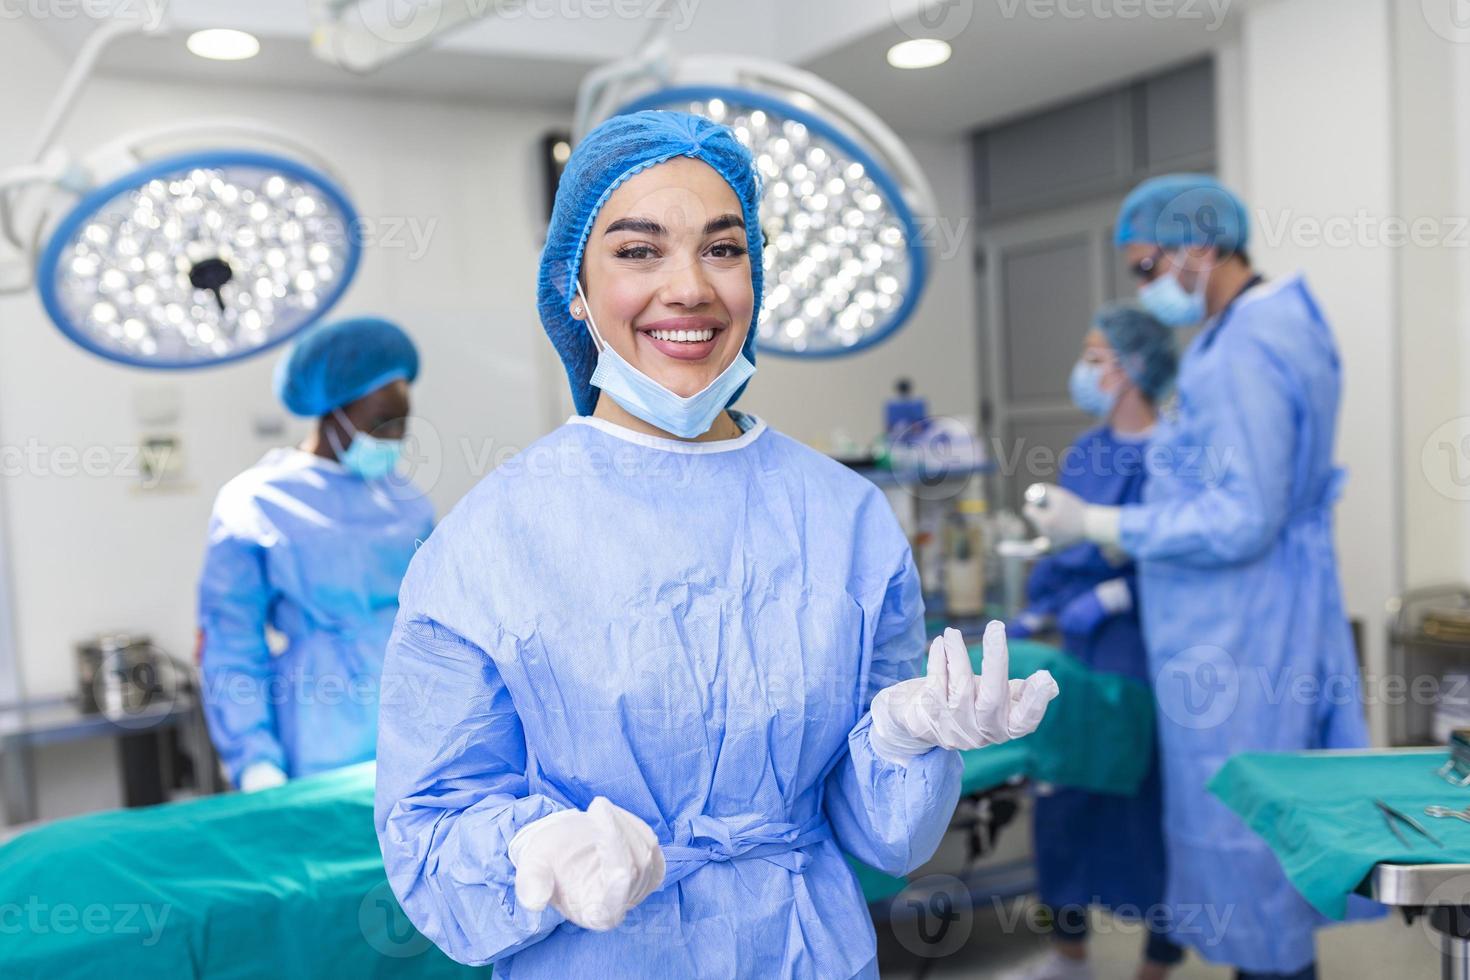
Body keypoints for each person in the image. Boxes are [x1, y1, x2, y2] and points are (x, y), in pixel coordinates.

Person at [373, 110, 1060, 978]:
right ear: (573, 290)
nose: (689, 287)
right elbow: (429, 822)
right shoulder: (491, 540)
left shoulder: (845, 518)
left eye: (723, 249)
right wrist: (532, 849)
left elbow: (882, 835)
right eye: (638, 250)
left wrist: (898, 739)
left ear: (755, 277)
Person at [1024, 175, 1368, 980]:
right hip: (1242, 619)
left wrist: (1103, 526)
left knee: (1248, 842)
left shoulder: (1246, 347)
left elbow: (1243, 515)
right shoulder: (1254, 332)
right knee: (1254, 840)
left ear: (1201, 248)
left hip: (1238, 632)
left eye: (1149, 269)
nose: (1146, 290)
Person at [1004, 304, 1181, 980]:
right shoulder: (1089, 451)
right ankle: (1069, 956)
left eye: (1095, 356)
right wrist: (1039, 607)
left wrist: (1115, 594)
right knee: (1064, 804)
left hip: (1142, 658)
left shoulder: (1175, 455)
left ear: (1134, 368)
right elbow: (1065, 547)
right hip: (1076, 658)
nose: (1084, 370)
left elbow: (1187, 557)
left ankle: (1156, 965)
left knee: (1147, 812)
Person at [198, 317, 434, 792]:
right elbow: (231, 642)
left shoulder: (408, 505)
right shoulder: (256, 503)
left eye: (401, 426)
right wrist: (254, 760)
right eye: (380, 423)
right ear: (335, 413)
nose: (392, 439)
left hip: (417, 731)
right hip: (317, 737)